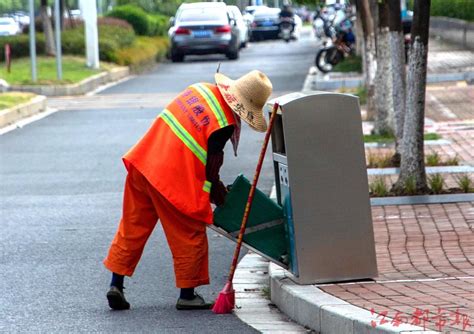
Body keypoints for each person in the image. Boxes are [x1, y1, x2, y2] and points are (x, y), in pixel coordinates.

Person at [103, 70, 273, 310]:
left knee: (132, 227)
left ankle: (115, 284)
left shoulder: (200, 89)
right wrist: (220, 196)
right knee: (189, 232)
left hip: (143, 163)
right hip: (171, 179)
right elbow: (210, 168)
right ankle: (187, 294)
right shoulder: (223, 123)